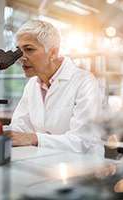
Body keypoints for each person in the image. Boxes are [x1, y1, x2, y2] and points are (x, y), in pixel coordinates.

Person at [6, 20, 103, 155]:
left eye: (29, 49)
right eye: (18, 51)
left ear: (53, 52)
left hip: (85, 167)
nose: (20, 58)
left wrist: (35, 138)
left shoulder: (85, 82)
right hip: (46, 162)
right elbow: (19, 129)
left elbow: (83, 141)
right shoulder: (32, 85)